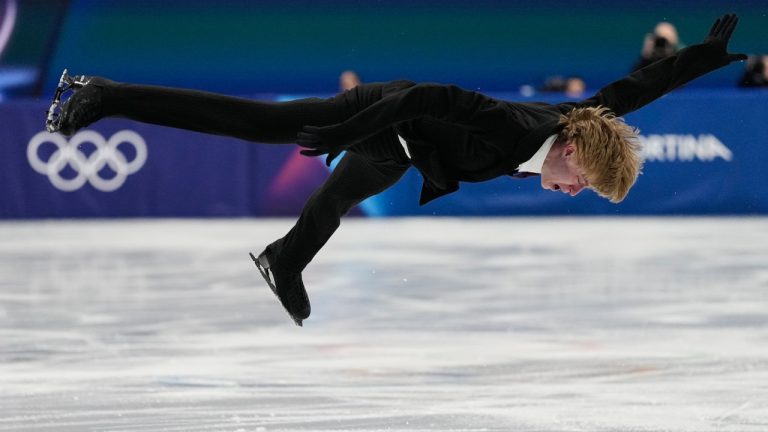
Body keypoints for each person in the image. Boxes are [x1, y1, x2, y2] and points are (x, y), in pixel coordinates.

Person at [45, 14, 745, 326]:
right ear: (570, 154)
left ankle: (283, 260)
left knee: (337, 202)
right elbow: (426, 97)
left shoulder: (579, 127)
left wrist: (700, 59)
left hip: (407, 146)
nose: (572, 192)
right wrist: (348, 128)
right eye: (582, 184)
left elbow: (629, 95)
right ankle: (107, 95)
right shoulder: (518, 129)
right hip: (388, 115)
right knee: (260, 126)